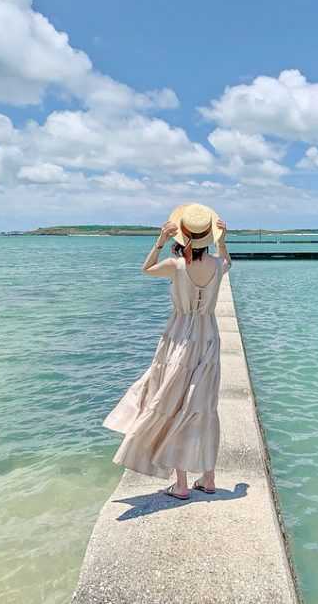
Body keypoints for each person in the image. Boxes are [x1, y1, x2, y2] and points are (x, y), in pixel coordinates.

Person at [102, 202, 231, 499]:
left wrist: (159, 241)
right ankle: (208, 478)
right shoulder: (217, 266)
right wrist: (222, 241)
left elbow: (146, 269)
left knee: (173, 403)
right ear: (206, 237)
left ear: (181, 236)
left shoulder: (176, 265)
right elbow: (227, 262)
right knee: (201, 405)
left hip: (180, 338)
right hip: (209, 337)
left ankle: (182, 484)